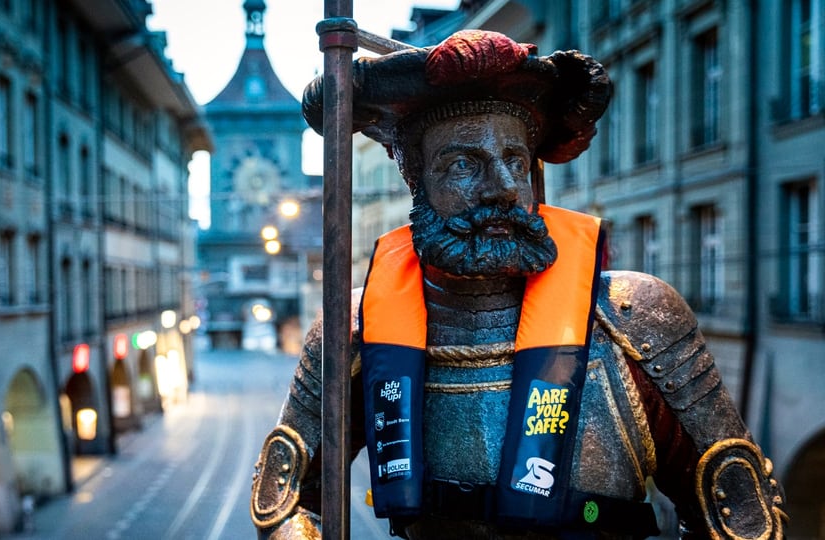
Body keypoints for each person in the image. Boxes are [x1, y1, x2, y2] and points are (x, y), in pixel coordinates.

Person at [250, 30, 787, 539]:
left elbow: (738, 511)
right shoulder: (355, 330)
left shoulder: (635, 319)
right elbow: (286, 498)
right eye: (465, 163)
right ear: (419, 183)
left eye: (516, 161)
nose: (506, 188)